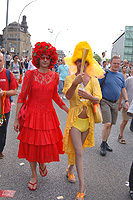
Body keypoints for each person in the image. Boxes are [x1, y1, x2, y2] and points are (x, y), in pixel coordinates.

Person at [14, 41, 69, 191]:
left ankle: (42, 163)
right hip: (31, 116)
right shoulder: (30, 75)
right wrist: (17, 119)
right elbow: (22, 96)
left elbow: (56, 97)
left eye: (47, 57)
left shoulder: (55, 76)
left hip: (47, 116)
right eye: (42, 57)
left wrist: (68, 110)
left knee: (43, 145)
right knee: (32, 146)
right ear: (37, 58)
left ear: (51, 59)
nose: (45, 60)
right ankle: (33, 175)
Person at [63, 41, 104, 200]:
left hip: (88, 121)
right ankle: (82, 186)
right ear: (75, 62)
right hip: (74, 121)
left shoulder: (93, 80)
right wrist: (75, 83)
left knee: (78, 151)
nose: (81, 64)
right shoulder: (69, 78)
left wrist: (90, 97)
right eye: (79, 61)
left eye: (84, 62)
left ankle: (70, 169)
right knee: (79, 152)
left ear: (88, 64)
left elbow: (98, 98)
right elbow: (67, 96)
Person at [99, 55, 129, 156]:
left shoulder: (121, 76)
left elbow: (123, 88)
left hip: (115, 102)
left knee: (111, 124)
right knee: (107, 123)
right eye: (114, 63)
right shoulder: (104, 73)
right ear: (110, 63)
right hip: (105, 101)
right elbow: (97, 86)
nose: (116, 65)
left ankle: (105, 141)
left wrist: (126, 100)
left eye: (118, 63)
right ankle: (103, 144)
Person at [0, 52, 18, 159]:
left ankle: (0, 150)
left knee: (1, 131)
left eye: (0, 60)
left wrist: (4, 93)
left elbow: (15, 91)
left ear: (3, 61)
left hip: (3, 110)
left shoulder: (8, 74)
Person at [118, 65, 133, 144]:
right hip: (128, 104)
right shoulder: (129, 80)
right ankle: (120, 135)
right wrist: (120, 103)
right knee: (125, 121)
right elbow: (122, 91)